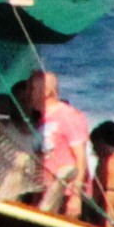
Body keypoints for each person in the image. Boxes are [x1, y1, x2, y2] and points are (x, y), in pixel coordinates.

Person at [27, 71, 93, 217]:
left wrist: (76, 197)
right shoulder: (40, 120)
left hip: (66, 194)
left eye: (32, 88)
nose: (28, 93)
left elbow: (81, 160)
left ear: (47, 91)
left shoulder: (68, 115)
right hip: (46, 192)